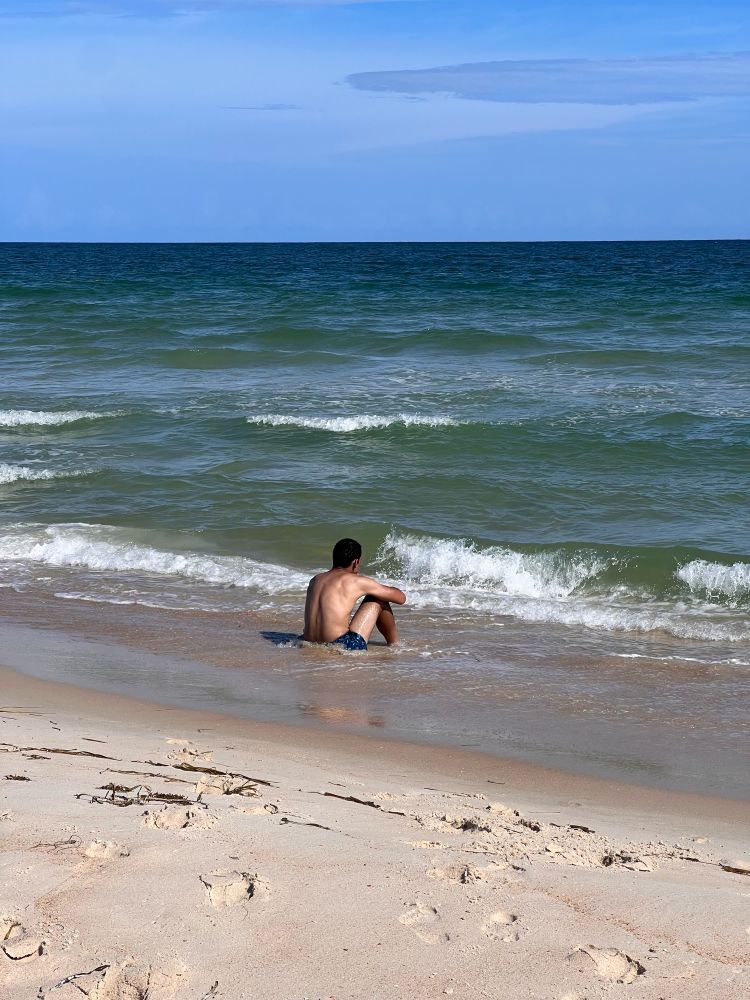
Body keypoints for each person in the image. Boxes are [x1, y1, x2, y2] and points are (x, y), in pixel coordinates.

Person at [303, 538, 406, 651]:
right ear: (355, 562)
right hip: (342, 645)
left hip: (308, 642)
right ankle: (395, 645)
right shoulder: (355, 581)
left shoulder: (316, 579)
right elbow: (401, 598)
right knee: (377, 597)